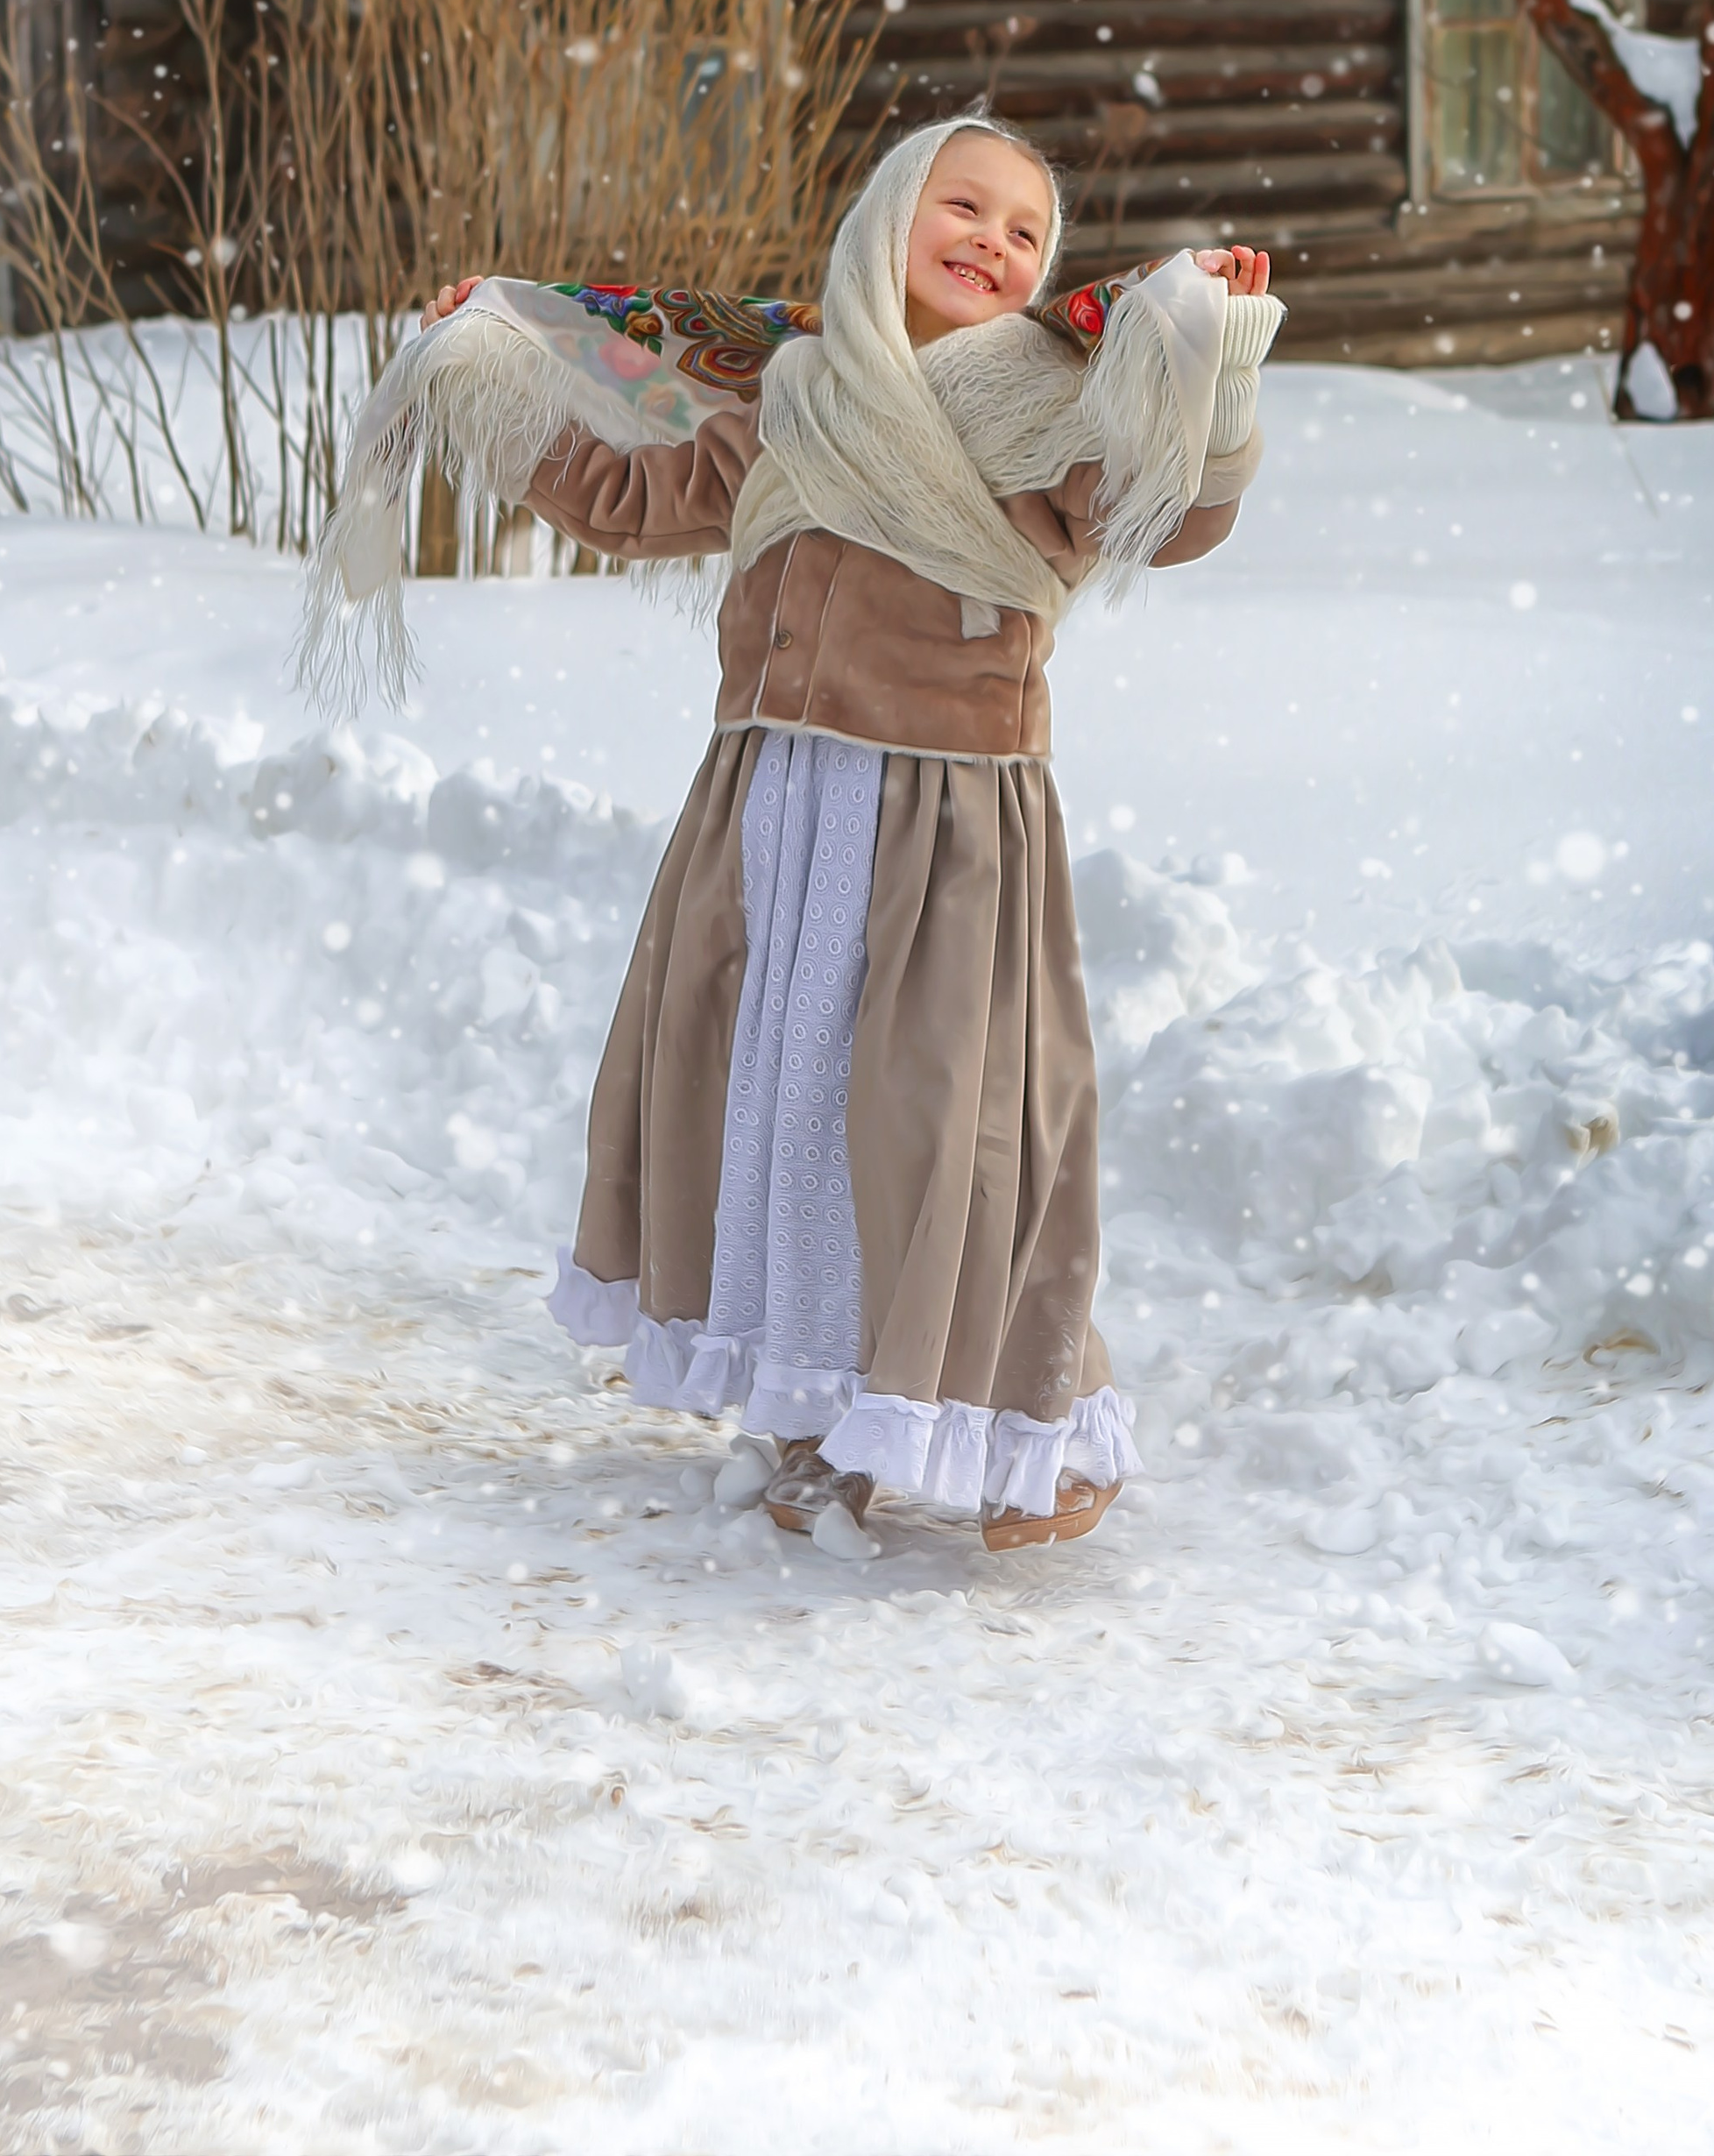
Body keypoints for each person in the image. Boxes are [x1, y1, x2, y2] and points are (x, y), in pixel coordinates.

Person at [318, 116, 1278, 1554]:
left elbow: (1170, 509)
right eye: (965, 206)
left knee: (948, 1124)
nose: (994, 244)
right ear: (890, 219)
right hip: (775, 803)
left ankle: (1040, 1422)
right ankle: (815, 1413)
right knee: (778, 1113)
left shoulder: (1052, 407)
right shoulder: (794, 393)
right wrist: (492, 373)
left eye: (1027, 232)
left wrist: (1214, 359)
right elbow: (634, 492)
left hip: (953, 826)